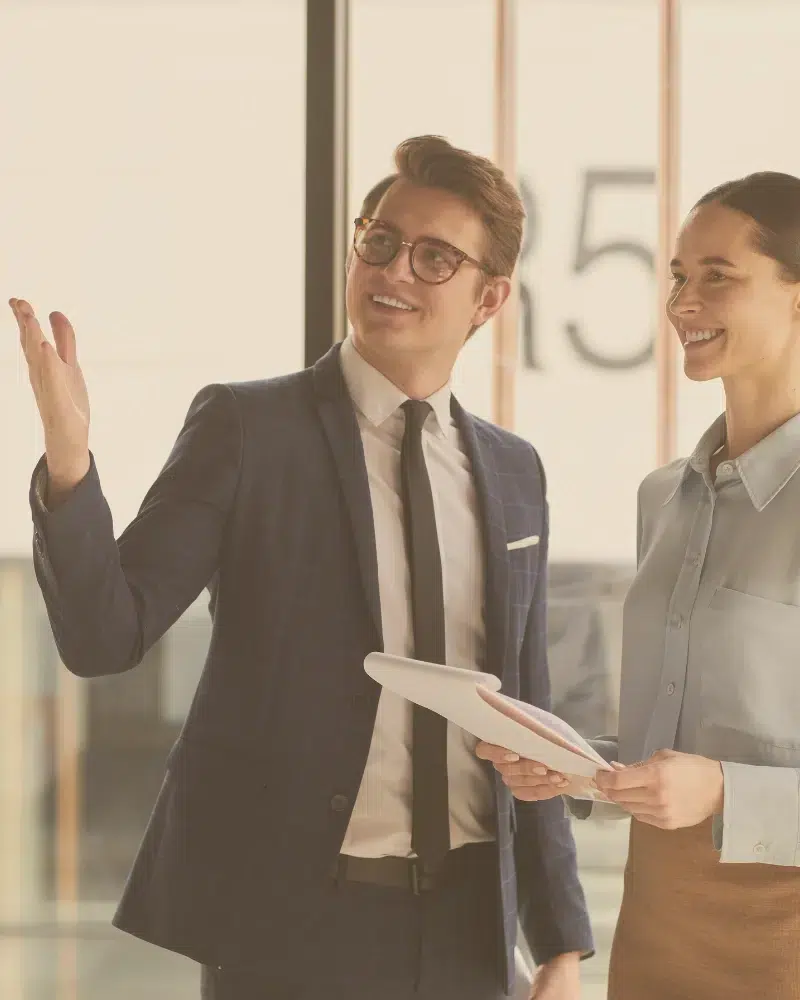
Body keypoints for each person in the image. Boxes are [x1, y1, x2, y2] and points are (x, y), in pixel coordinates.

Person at [11, 135, 593, 1000]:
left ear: (489, 297)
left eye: (435, 257)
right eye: (380, 240)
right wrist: (69, 463)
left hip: (473, 929)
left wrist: (562, 940)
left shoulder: (515, 470)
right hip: (292, 930)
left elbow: (526, 715)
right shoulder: (249, 430)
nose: (394, 270)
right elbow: (106, 635)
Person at [478, 170, 800, 999]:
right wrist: (584, 771)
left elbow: (715, 779)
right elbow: (680, 746)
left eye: (718, 276)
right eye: (679, 275)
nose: (683, 300)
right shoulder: (666, 497)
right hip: (659, 925)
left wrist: (723, 790)